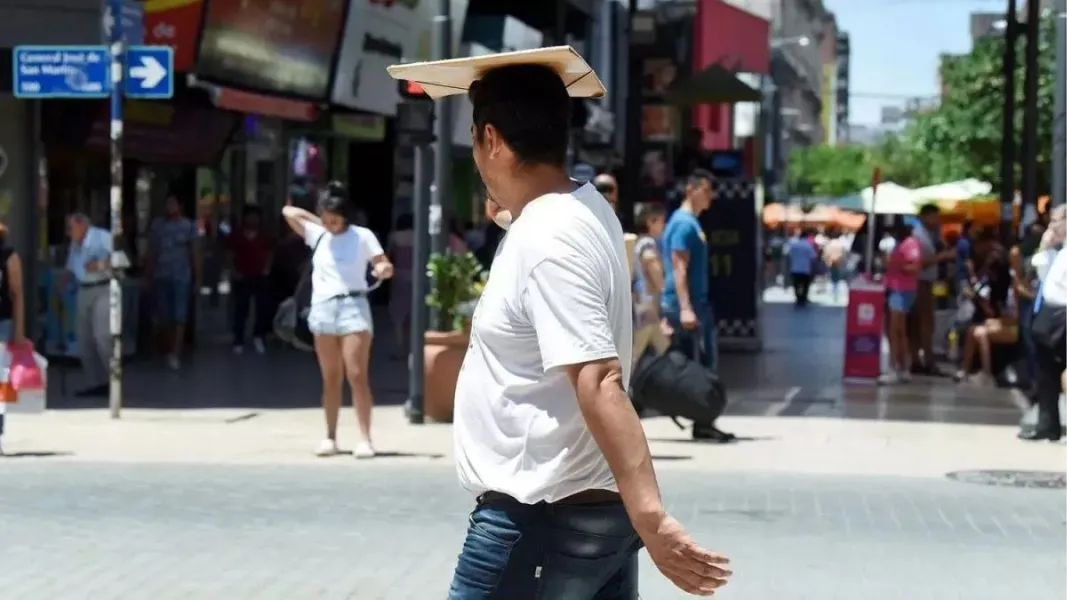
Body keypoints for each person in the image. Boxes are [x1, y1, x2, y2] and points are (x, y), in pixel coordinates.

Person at [441, 59, 730, 597]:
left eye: (476, 145)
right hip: (588, 518)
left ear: (491, 138)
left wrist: (654, 519)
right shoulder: (584, 206)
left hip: (538, 521)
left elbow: (599, 378)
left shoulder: (546, 239)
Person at [281, 183, 393, 459]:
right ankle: (330, 436)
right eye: (327, 217)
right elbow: (288, 212)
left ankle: (365, 438)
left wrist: (382, 268)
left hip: (353, 306)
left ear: (346, 214)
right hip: (323, 309)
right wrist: (320, 220)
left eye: (336, 217)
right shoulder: (318, 234)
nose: (331, 223)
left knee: (357, 375)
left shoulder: (362, 236)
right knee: (330, 378)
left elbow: (381, 261)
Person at [661, 169, 735, 443]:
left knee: (702, 364)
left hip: (694, 303)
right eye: (706, 190)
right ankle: (703, 420)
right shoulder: (684, 224)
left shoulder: (691, 223)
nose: (711, 197)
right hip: (689, 305)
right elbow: (679, 268)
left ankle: (704, 420)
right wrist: (685, 307)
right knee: (701, 366)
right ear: (691, 189)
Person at [1020, 233, 1066, 442]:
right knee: (1045, 369)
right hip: (1049, 313)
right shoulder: (1057, 251)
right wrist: (1044, 246)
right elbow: (1036, 273)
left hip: (1064, 312)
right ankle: (1047, 425)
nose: (1052, 226)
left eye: (1057, 221)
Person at [145, 194, 200, 370]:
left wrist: (197, 278)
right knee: (165, 315)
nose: (170, 207)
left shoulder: (189, 226)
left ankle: (175, 352)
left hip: (181, 276)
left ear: (180, 206)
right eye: (167, 203)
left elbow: (195, 253)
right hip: (162, 275)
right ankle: (168, 348)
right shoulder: (158, 226)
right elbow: (152, 252)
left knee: (180, 315)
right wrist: (148, 275)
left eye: (173, 203)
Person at [63, 213, 115, 397]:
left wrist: (100, 264)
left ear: (81, 225)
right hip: (83, 290)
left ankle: (114, 380)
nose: (68, 233)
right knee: (84, 341)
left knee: (102, 336)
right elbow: (71, 268)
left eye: (71, 228)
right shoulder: (75, 244)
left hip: (103, 288)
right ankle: (96, 383)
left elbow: (122, 260)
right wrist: (64, 282)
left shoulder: (102, 236)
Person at [954, 250, 1016, 386]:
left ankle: (987, 374)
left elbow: (1015, 317)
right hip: (998, 322)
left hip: (1012, 327)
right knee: (972, 330)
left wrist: (996, 320)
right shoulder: (992, 285)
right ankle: (965, 370)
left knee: (980, 333)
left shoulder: (1012, 289)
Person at [909, 205, 955, 375]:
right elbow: (919, 262)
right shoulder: (918, 236)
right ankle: (926, 360)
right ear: (924, 217)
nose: (936, 221)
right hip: (921, 282)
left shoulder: (929, 235)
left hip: (926, 281)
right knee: (925, 321)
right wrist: (942, 257)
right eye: (933, 217)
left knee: (919, 322)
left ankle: (918, 359)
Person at [881, 222, 922, 385]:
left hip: (902, 290)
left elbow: (915, 267)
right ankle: (902, 367)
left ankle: (895, 367)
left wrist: (895, 264)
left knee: (895, 330)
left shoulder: (910, 245)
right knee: (899, 331)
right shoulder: (902, 244)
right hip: (897, 288)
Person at [228, 205, 272, 354]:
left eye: (255, 216)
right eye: (250, 216)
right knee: (241, 309)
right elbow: (229, 254)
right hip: (242, 276)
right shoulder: (237, 234)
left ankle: (259, 336)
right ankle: (238, 339)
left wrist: (266, 268)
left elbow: (270, 252)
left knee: (261, 308)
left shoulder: (264, 234)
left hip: (260, 276)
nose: (253, 219)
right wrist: (233, 271)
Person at [631, 202, 670, 362]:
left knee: (662, 347)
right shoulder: (648, 243)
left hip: (644, 305)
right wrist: (664, 289)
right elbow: (651, 263)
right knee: (636, 352)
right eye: (661, 221)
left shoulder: (640, 241)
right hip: (647, 305)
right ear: (650, 222)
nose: (664, 225)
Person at [0, 221, 26, 455]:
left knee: (0, 379)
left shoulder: (9, 256)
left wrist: (19, 331)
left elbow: (17, 294)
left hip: (1, 323)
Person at [786, 229, 817, 306]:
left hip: (795, 268)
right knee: (805, 285)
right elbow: (813, 256)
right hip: (805, 269)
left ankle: (798, 298)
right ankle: (803, 298)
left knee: (796, 284)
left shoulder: (794, 245)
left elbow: (789, 254)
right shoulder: (808, 246)